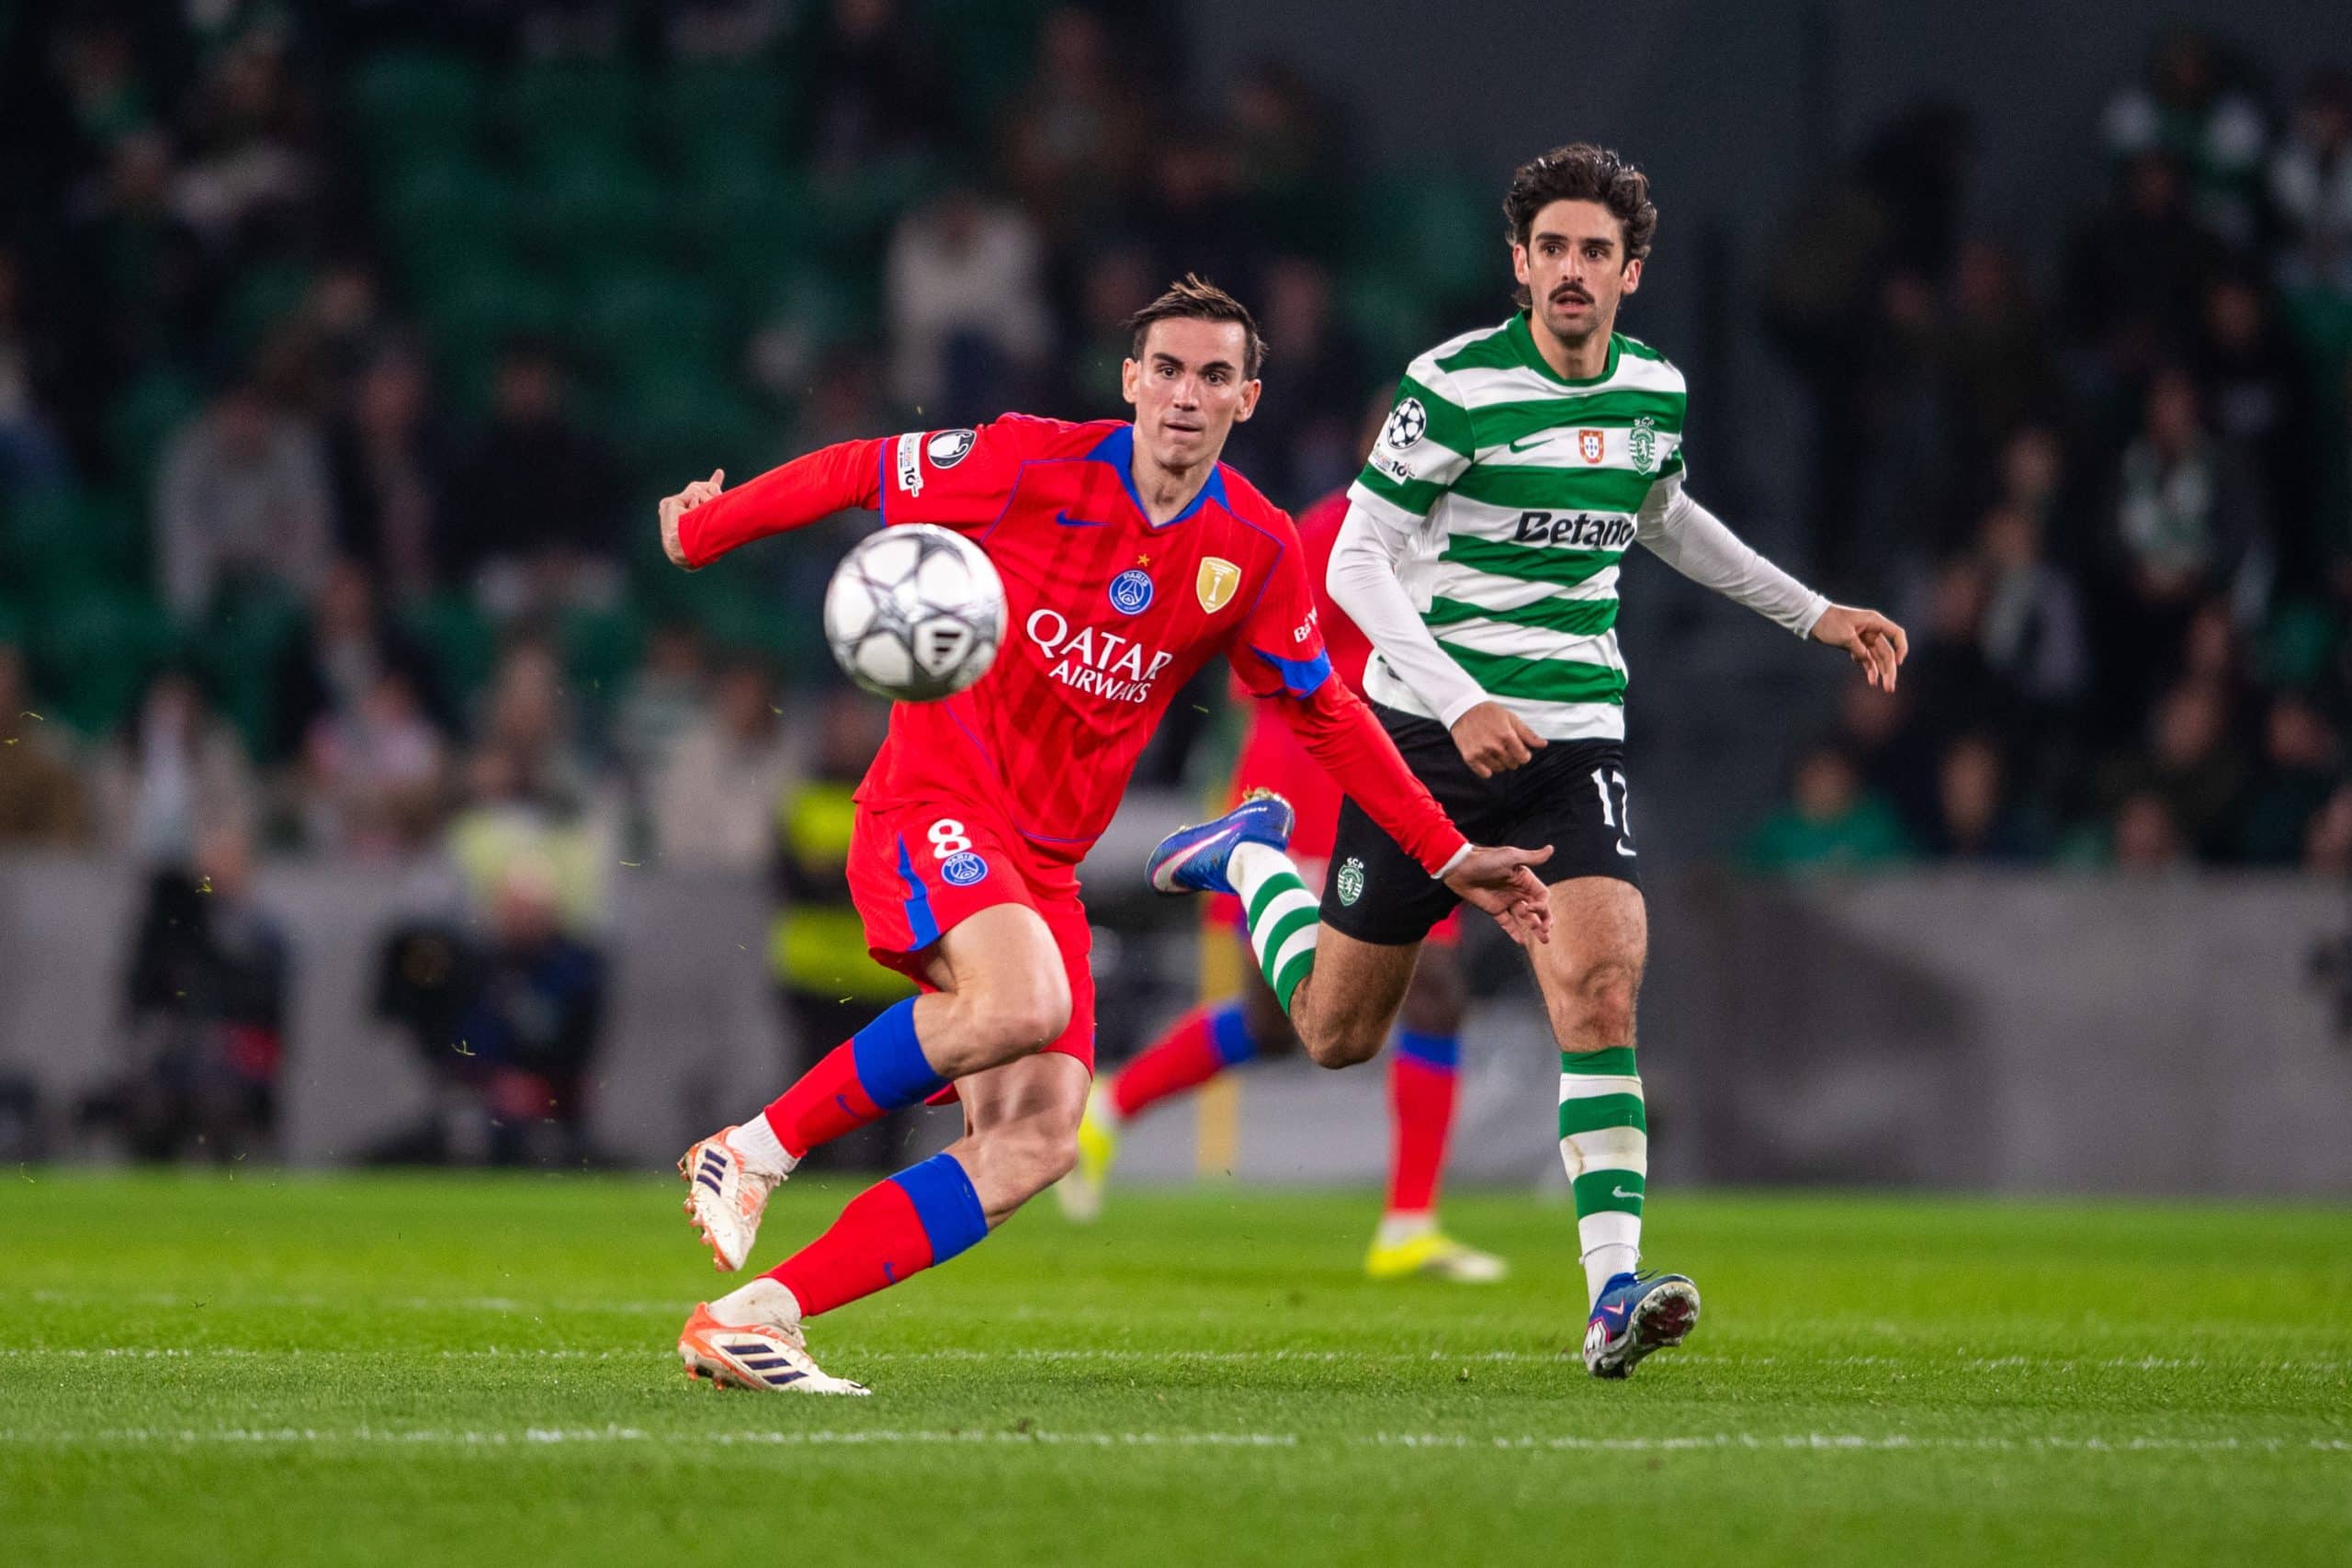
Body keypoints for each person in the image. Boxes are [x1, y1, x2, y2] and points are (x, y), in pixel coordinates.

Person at [656, 276, 1553, 1394]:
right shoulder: (1026, 460)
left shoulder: (1254, 544)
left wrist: (1446, 852)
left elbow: (1324, 711)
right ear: (1130, 380)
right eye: (1166, 369)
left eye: (1213, 376)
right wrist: (704, 531)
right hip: (934, 802)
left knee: (1036, 1139)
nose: (1185, 394)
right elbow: (859, 469)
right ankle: (753, 1148)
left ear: (1247, 399)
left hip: (1045, 865)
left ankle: (758, 1316)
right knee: (1023, 1003)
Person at [1160, 145, 1908, 1378]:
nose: (1570, 269)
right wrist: (1459, 703)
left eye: (1593, 251)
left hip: (1575, 742)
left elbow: (1663, 517)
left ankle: (1611, 1294)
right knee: (1337, 1030)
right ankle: (1252, 862)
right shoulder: (1450, 386)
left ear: (1629, 272)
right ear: (1519, 261)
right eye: (1551, 247)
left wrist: (1812, 611)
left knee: (1600, 989)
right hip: (1423, 739)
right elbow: (1354, 556)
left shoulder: (1654, 390)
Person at [1060, 441, 1503, 1287]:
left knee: (1296, 1017)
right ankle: (1407, 1222)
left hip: (1395, 781)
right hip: (1318, 778)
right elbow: (1261, 656)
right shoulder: (1339, 529)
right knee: (1361, 1000)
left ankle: (1113, 1106)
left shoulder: (1470, 544)